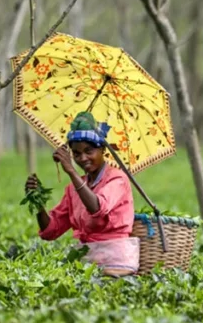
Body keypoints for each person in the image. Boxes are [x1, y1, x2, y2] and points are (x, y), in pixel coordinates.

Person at [25, 112, 140, 277]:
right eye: (77, 154)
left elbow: (98, 207)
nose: (83, 158)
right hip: (87, 261)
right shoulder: (74, 189)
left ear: (102, 150)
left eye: (89, 151)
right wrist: (37, 200)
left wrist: (71, 171)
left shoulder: (117, 179)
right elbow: (51, 230)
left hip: (117, 262)